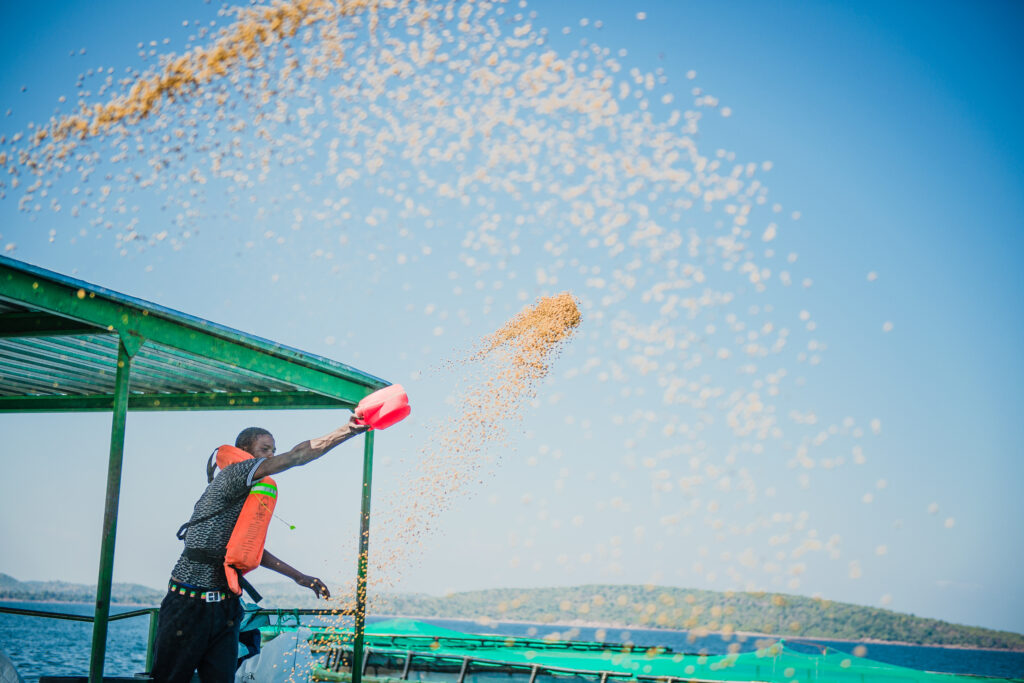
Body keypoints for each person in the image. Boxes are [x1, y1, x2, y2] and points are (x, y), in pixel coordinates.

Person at [150, 417, 367, 683]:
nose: (272, 455)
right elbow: (298, 456)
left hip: (227, 609)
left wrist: (298, 576)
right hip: (188, 605)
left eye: (274, 450)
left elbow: (249, 550)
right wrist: (350, 429)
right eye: (265, 449)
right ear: (246, 450)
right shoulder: (235, 474)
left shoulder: (248, 495)